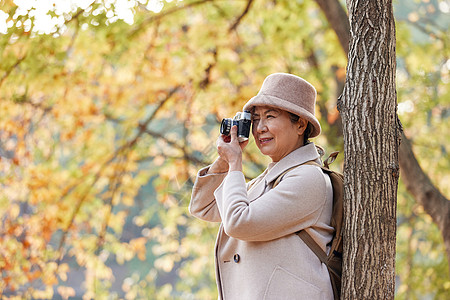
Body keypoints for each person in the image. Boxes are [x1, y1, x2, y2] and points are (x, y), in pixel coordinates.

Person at [189, 73, 334, 299]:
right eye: (255, 119)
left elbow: (239, 222)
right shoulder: (266, 181)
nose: (260, 128)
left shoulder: (309, 179)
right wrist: (226, 159)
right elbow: (203, 206)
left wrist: (236, 162)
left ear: (300, 125)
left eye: (270, 116)